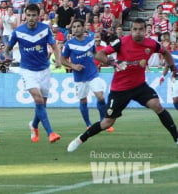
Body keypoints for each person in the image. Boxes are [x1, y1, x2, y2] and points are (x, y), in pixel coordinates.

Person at [67, 18, 178, 152]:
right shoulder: (121, 42)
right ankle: (81, 138)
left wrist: (173, 68)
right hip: (119, 89)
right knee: (107, 123)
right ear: (131, 30)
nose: (138, 32)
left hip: (139, 86)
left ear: (145, 30)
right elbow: (99, 55)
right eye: (135, 29)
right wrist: (112, 63)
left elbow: (165, 52)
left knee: (157, 105)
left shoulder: (152, 44)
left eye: (141, 29)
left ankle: (176, 138)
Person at [4, 4, 62, 143]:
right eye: (28, 15)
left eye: (34, 15)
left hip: (44, 70)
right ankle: (51, 132)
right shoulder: (18, 31)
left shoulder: (45, 29)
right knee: (38, 100)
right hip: (27, 70)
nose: (31, 18)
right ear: (25, 16)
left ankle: (34, 125)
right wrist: (7, 55)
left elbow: (54, 46)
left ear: (38, 16)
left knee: (43, 103)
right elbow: (8, 48)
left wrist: (58, 59)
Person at [61, 19, 114, 132]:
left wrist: (108, 61)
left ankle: (103, 122)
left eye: (78, 26)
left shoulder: (90, 40)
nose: (76, 28)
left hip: (92, 73)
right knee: (83, 100)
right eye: (74, 27)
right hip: (79, 77)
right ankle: (88, 124)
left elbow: (95, 54)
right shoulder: (69, 44)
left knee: (100, 96)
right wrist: (73, 66)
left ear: (83, 27)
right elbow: (62, 60)